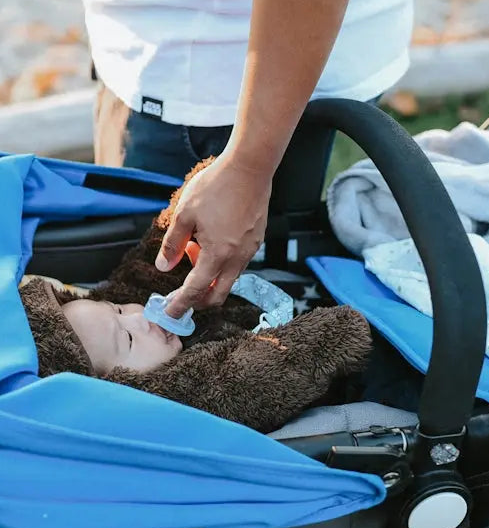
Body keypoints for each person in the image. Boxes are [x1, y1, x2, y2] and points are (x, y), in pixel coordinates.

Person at [65, 0, 421, 319]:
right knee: (120, 317)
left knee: (203, 329)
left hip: (260, 94)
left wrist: (250, 165)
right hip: (137, 40)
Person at [19, 158, 375, 433]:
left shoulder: (152, 330)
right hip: (348, 373)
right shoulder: (178, 396)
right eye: (126, 337)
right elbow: (252, 378)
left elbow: (148, 270)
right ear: (117, 385)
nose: (139, 316)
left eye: (116, 308)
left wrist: (199, 202)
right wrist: (328, 338)